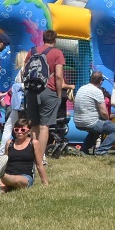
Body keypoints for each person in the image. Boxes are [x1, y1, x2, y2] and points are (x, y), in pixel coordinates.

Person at [27, 30, 72, 166]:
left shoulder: (33, 51)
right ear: (55, 40)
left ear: (43, 38)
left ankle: (32, 154)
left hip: (32, 90)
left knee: (33, 125)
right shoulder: (57, 53)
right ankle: (40, 157)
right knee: (44, 126)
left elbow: (25, 70)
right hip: (48, 90)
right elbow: (59, 75)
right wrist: (59, 94)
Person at [0, 118, 49, 194]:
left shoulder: (34, 143)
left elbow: (39, 165)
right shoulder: (10, 143)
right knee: (1, 191)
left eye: (22, 130)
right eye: (16, 130)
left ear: (28, 131)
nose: (19, 132)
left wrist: (45, 183)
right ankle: (1, 181)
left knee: (15, 180)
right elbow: (5, 162)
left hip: (25, 177)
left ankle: (1, 176)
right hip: (9, 173)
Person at [73, 71, 115, 156]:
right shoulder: (97, 91)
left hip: (77, 121)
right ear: (101, 81)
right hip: (90, 122)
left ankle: (84, 149)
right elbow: (104, 112)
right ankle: (102, 150)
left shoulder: (82, 88)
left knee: (96, 131)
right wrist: (107, 119)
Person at [0, 51, 29, 158]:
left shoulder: (21, 71)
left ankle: (1, 152)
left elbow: (17, 88)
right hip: (25, 104)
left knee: (9, 127)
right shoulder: (28, 71)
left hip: (18, 105)